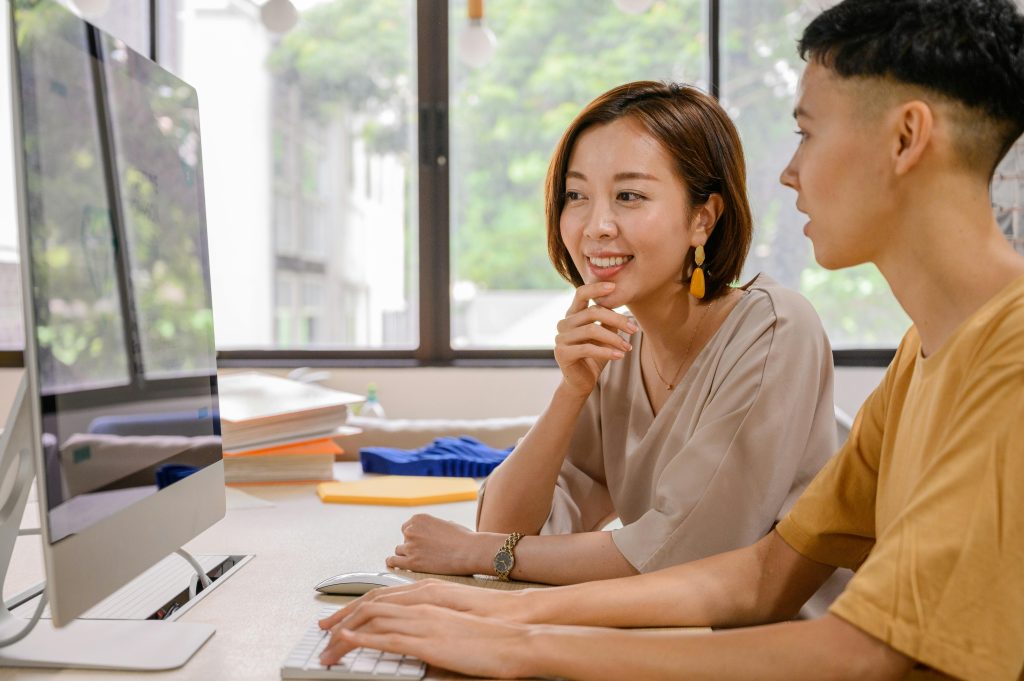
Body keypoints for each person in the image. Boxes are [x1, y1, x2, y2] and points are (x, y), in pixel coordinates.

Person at [317, 0, 1024, 678]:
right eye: (577, 194)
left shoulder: (1011, 356)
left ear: (905, 138)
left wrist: (523, 639)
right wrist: (497, 612)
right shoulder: (921, 353)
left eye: (807, 132)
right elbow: (762, 574)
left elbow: (862, 651)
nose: (788, 169)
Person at [384, 80, 837, 588]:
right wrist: (570, 392)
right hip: (669, 640)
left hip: (789, 646)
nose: (596, 225)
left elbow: (682, 553)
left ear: (702, 220)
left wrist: (477, 553)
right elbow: (508, 528)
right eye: (576, 195)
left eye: (629, 195)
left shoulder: (775, 329)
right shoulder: (619, 348)